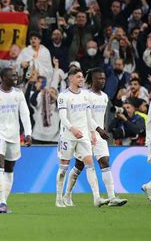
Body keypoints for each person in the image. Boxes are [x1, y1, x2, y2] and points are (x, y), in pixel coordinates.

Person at [63, 68, 127, 207]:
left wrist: (101, 130)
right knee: (79, 166)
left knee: (105, 162)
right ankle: (67, 194)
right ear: (92, 80)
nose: (102, 81)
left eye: (104, 79)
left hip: (98, 135)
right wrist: (97, 129)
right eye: (99, 78)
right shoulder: (85, 95)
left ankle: (112, 197)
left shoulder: (104, 97)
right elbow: (87, 117)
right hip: (85, 134)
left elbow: (100, 117)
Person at [0, 68, 32, 213]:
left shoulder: (18, 93)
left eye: (16, 75)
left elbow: (25, 114)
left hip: (14, 135)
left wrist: (28, 133)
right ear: (2, 77)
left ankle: (3, 201)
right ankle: (2, 202)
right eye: (12, 75)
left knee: (10, 168)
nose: (15, 78)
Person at [56, 68, 109, 208]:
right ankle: (59, 198)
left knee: (90, 165)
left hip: (84, 136)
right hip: (68, 136)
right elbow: (62, 117)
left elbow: (88, 116)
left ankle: (97, 198)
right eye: (78, 77)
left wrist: (92, 132)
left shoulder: (85, 95)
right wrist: (72, 129)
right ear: (71, 79)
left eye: (82, 77)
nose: (81, 79)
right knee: (63, 169)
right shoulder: (63, 96)